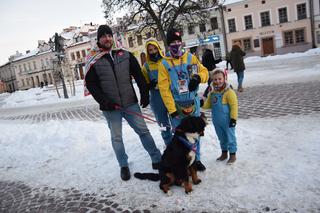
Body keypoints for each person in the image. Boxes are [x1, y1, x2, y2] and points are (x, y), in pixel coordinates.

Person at [84, 25, 161, 181]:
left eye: (109, 35)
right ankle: (123, 165)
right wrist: (105, 102)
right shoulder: (93, 59)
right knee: (117, 138)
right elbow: (92, 85)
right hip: (110, 108)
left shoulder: (125, 54)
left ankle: (157, 159)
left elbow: (138, 75)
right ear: (98, 39)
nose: (107, 38)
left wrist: (144, 93)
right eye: (103, 36)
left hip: (130, 102)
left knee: (144, 131)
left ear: (113, 37)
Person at [158, 28, 209, 171]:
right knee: (180, 137)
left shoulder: (190, 58)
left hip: (193, 104)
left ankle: (196, 160)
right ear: (168, 45)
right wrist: (172, 110)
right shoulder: (164, 64)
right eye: (172, 42)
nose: (176, 44)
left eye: (178, 41)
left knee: (196, 134)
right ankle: (183, 162)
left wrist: (198, 77)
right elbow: (164, 89)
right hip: (177, 107)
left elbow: (204, 72)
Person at [202, 68, 238, 164]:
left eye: (219, 79)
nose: (217, 81)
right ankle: (224, 153)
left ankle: (233, 155)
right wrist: (201, 103)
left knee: (230, 137)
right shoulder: (212, 93)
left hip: (228, 120)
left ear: (224, 78)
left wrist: (233, 119)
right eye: (215, 79)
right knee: (221, 138)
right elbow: (208, 105)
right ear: (212, 80)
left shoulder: (229, 92)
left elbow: (234, 106)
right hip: (217, 121)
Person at [141, 39, 172, 145]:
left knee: (176, 120)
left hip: (170, 95)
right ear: (147, 51)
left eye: (155, 48)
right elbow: (144, 83)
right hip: (156, 98)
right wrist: (149, 85)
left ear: (158, 48)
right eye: (150, 50)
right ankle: (168, 143)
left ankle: (179, 143)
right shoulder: (146, 67)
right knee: (163, 124)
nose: (153, 51)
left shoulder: (167, 61)